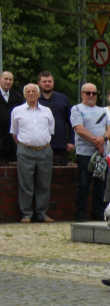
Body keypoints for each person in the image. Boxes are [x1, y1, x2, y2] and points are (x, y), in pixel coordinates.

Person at [10, 83, 55, 223]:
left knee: (44, 183)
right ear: (24, 95)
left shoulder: (47, 111)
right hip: (25, 151)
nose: (31, 93)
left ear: (38, 94)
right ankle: (26, 214)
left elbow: (51, 130)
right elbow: (14, 133)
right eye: (28, 91)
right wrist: (25, 145)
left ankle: (42, 213)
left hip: (45, 151)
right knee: (25, 184)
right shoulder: (17, 111)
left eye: (33, 91)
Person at [71, 82, 110, 221]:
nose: (91, 96)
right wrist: (97, 141)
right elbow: (79, 129)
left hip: (102, 154)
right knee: (84, 184)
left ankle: (98, 213)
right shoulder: (76, 109)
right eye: (88, 93)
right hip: (85, 153)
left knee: (101, 185)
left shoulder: (102, 111)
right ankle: (81, 213)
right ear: (82, 94)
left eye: (94, 93)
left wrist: (104, 139)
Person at [37, 71, 73, 166]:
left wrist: (71, 141)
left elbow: (71, 122)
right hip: (40, 145)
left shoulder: (63, 99)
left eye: (50, 81)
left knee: (60, 176)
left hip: (60, 145)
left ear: (53, 82)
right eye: (44, 81)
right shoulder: (34, 100)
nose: (47, 84)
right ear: (39, 83)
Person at [1, 70, 23, 163]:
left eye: (10, 80)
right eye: (5, 79)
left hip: (12, 142)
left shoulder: (17, 97)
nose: (8, 81)